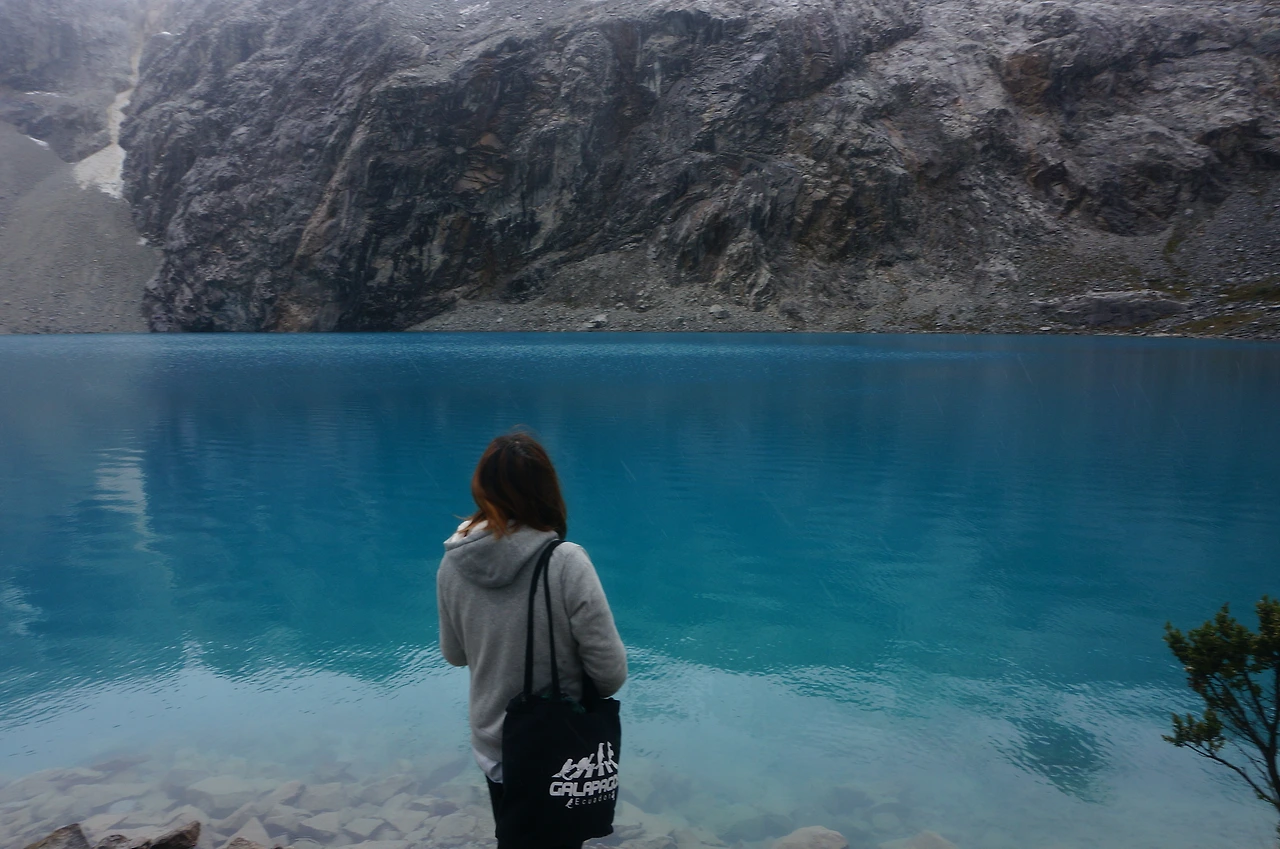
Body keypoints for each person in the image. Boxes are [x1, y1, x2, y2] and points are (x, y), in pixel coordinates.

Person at [436, 431, 628, 845]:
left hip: (495, 745)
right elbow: (611, 675)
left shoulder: (452, 563)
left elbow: (454, 654)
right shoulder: (565, 562)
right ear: (546, 490)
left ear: (482, 488)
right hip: (556, 749)